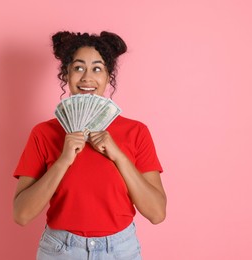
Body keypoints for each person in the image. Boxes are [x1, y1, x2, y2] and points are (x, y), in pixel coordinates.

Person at [13, 31, 167, 260]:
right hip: (60, 250)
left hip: (120, 250)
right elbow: (22, 215)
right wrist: (63, 160)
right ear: (66, 74)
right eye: (78, 68)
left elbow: (156, 213)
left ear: (108, 76)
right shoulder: (43, 133)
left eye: (97, 68)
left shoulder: (136, 132)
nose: (87, 77)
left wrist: (119, 156)